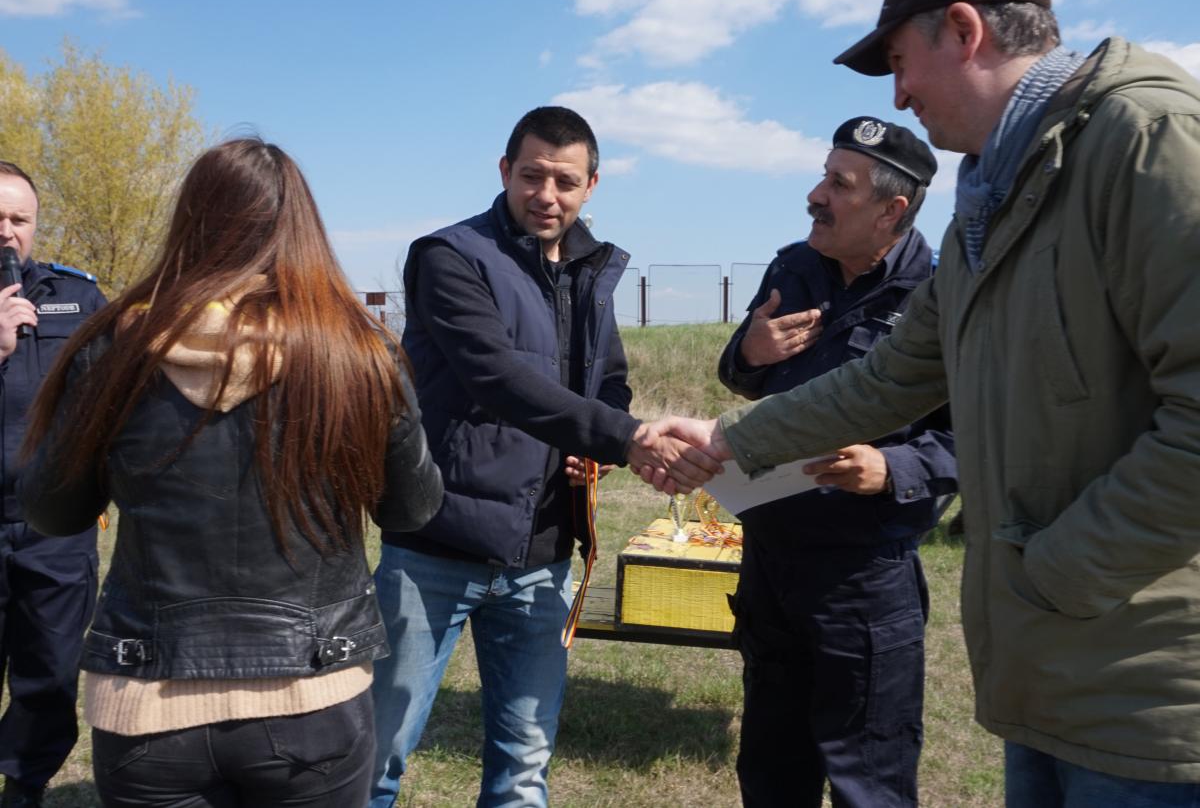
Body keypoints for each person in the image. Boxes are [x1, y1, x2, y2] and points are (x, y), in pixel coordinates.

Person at [650, 0, 1200, 806]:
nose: (900, 94)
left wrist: (1052, 572)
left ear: (965, 31)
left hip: (1144, 696)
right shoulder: (994, 197)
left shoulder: (1149, 142)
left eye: (902, 63)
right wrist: (728, 438)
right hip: (1048, 670)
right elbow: (889, 380)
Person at [18, 138, 443, 807]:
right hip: (312, 694)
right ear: (300, 228)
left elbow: (52, 510)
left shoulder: (113, 348)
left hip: (149, 703)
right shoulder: (355, 353)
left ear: (189, 222)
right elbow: (412, 509)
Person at [368, 106, 720, 808]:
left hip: (544, 556)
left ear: (592, 185)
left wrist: (603, 450)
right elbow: (495, 376)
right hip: (436, 545)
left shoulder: (592, 270)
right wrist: (626, 437)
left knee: (524, 769)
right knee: (375, 758)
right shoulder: (450, 256)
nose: (547, 195)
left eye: (565, 181)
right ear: (505, 171)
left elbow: (609, 382)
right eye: (532, 176)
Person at [718, 117, 956, 807]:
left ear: (891, 209)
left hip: (863, 578)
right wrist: (749, 354)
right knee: (771, 771)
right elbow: (742, 377)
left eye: (838, 184)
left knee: (868, 781)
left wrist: (894, 470)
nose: (815, 195)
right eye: (823, 176)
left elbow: (981, 434)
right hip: (770, 561)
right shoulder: (792, 268)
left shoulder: (942, 294)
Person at [0, 161, 106, 808]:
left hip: (53, 529)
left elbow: (115, 397)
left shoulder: (77, 297)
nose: (6, 232)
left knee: (50, 671)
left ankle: (24, 786)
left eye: (19, 219)